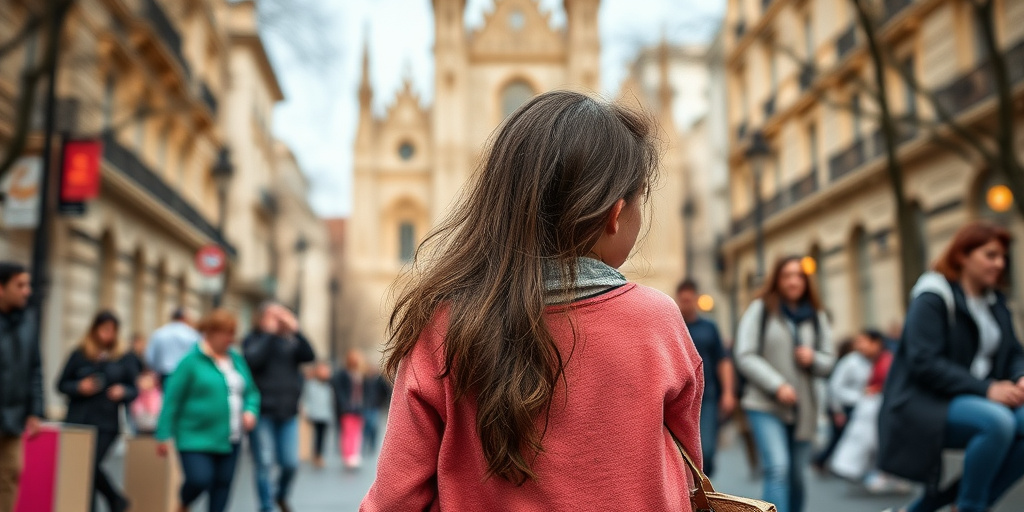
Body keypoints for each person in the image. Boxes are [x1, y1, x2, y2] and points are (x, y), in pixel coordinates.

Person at [362, 91, 704, 510]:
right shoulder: (657, 321)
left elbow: (394, 498)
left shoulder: (444, 325)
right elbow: (688, 474)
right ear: (616, 214)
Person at [879, 222, 1024, 512]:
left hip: (980, 396)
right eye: (991, 255)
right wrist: (987, 389)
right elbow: (924, 361)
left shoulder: (995, 302)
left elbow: (1014, 353)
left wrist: (1020, 376)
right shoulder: (932, 296)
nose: (1000, 264)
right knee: (997, 423)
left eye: (1003, 257)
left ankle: (958, 507)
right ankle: (970, 506)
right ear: (962, 256)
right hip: (926, 401)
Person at [734, 256, 835, 512]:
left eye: (799, 276)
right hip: (764, 404)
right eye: (787, 275)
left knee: (797, 476)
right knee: (778, 468)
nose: (793, 281)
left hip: (803, 410)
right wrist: (777, 385)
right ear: (777, 280)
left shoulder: (816, 315)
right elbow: (745, 354)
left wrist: (814, 358)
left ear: (806, 281)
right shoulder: (761, 309)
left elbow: (829, 360)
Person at [156, 309, 260, 512]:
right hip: (195, 436)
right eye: (225, 333)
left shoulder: (236, 360)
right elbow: (172, 399)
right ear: (210, 333)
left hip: (230, 436)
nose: (230, 339)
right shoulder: (190, 362)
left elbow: (251, 392)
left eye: (232, 333)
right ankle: (184, 503)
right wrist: (163, 434)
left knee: (222, 486)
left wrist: (250, 410)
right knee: (199, 480)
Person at [56, 311, 137, 512]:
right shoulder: (80, 354)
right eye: (104, 329)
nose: (108, 334)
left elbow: (133, 388)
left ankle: (114, 500)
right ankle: (109, 501)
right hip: (79, 421)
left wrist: (123, 391)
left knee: (89, 466)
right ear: (94, 329)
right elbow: (61, 384)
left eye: (112, 330)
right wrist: (79, 387)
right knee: (82, 469)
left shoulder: (123, 358)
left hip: (107, 423)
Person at [243, 303, 316, 512]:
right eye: (271, 315)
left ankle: (280, 495)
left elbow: (309, 356)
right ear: (260, 318)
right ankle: (266, 507)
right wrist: (269, 334)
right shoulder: (253, 339)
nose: (277, 320)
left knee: (290, 463)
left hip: (288, 412)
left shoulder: (289, 341)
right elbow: (252, 360)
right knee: (265, 462)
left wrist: (296, 329)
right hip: (262, 412)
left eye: (280, 315)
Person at [675, 279, 734, 477]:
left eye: (689, 300)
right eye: (683, 300)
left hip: (707, 396)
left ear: (695, 299)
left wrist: (728, 392)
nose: (686, 304)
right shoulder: (673, 326)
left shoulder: (709, 327)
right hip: (679, 397)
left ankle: (705, 480)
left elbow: (723, 360)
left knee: (706, 448)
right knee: (684, 450)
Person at [0, 262, 43, 512]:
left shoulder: (28, 322)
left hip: (13, 419)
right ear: (1, 288)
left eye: (28, 285)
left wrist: (35, 411)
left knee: (9, 476)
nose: (27, 291)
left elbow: (35, 369)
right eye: (20, 285)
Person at [814, 336, 870, 472]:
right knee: (837, 437)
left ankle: (830, 462)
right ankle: (821, 460)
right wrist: (837, 411)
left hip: (853, 405)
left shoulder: (864, 361)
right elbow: (834, 387)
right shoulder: (850, 362)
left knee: (842, 437)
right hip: (842, 405)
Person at [146, 308, 200, 383]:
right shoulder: (192, 334)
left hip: (164, 375)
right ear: (183, 318)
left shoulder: (159, 333)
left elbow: (150, 358)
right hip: (186, 374)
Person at [301, 361, 334, 469]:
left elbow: (330, 400)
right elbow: (305, 398)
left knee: (321, 436)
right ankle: (312, 454)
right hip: (314, 414)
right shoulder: (310, 384)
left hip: (324, 415)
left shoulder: (328, 385)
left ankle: (319, 455)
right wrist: (306, 410)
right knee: (313, 436)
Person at [361, 365, 391, 455]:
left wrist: (382, 402)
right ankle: (365, 444)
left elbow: (386, 391)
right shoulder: (365, 379)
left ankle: (372, 444)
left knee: (373, 426)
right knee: (367, 426)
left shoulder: (380, 380)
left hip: (376, 406)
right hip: (366, 405)